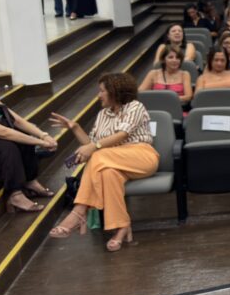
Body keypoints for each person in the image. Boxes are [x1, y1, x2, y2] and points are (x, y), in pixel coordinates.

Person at [48, 73, 159, 251]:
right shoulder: (102, 114)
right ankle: (122, 227)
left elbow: (122, 135)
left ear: (115, 91)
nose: (98, 95)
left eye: (102, 91)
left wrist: (94, 147)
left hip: (141, 156)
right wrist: (75, 128)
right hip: (111, 161)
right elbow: (90, 144)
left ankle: (79, 211)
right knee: (108, 174)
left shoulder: (134, 106)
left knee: (98, 155)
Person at [0, 69, 58, 213]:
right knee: (7, 146)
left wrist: (43, 135)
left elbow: (18, 121)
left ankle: (30, 181)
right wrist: (40, 143)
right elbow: (3, 132)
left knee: (21, 136)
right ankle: (15, 195)